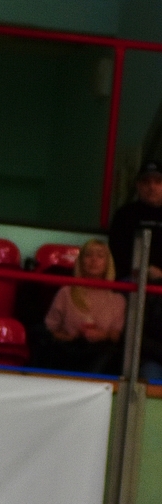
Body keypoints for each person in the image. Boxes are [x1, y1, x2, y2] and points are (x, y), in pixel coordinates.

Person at [108, 161, 162, 381]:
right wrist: (141, 270)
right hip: (131, 281)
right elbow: (115, 255)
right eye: (146, 182)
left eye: (157, 182)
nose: (152, 187)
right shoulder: (124, 215)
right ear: (138, 186)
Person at [38, 239, 125, 374]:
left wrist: (103, 335)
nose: (94, 260)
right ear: (81, 261)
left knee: (109, 354)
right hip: (68, 353)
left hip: (100, 354)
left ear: (108, 263)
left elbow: (117, 337)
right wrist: (71, 338)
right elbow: (49, 331)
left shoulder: (117, 300)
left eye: (100, 256)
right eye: (88, 255)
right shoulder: (66, 292)